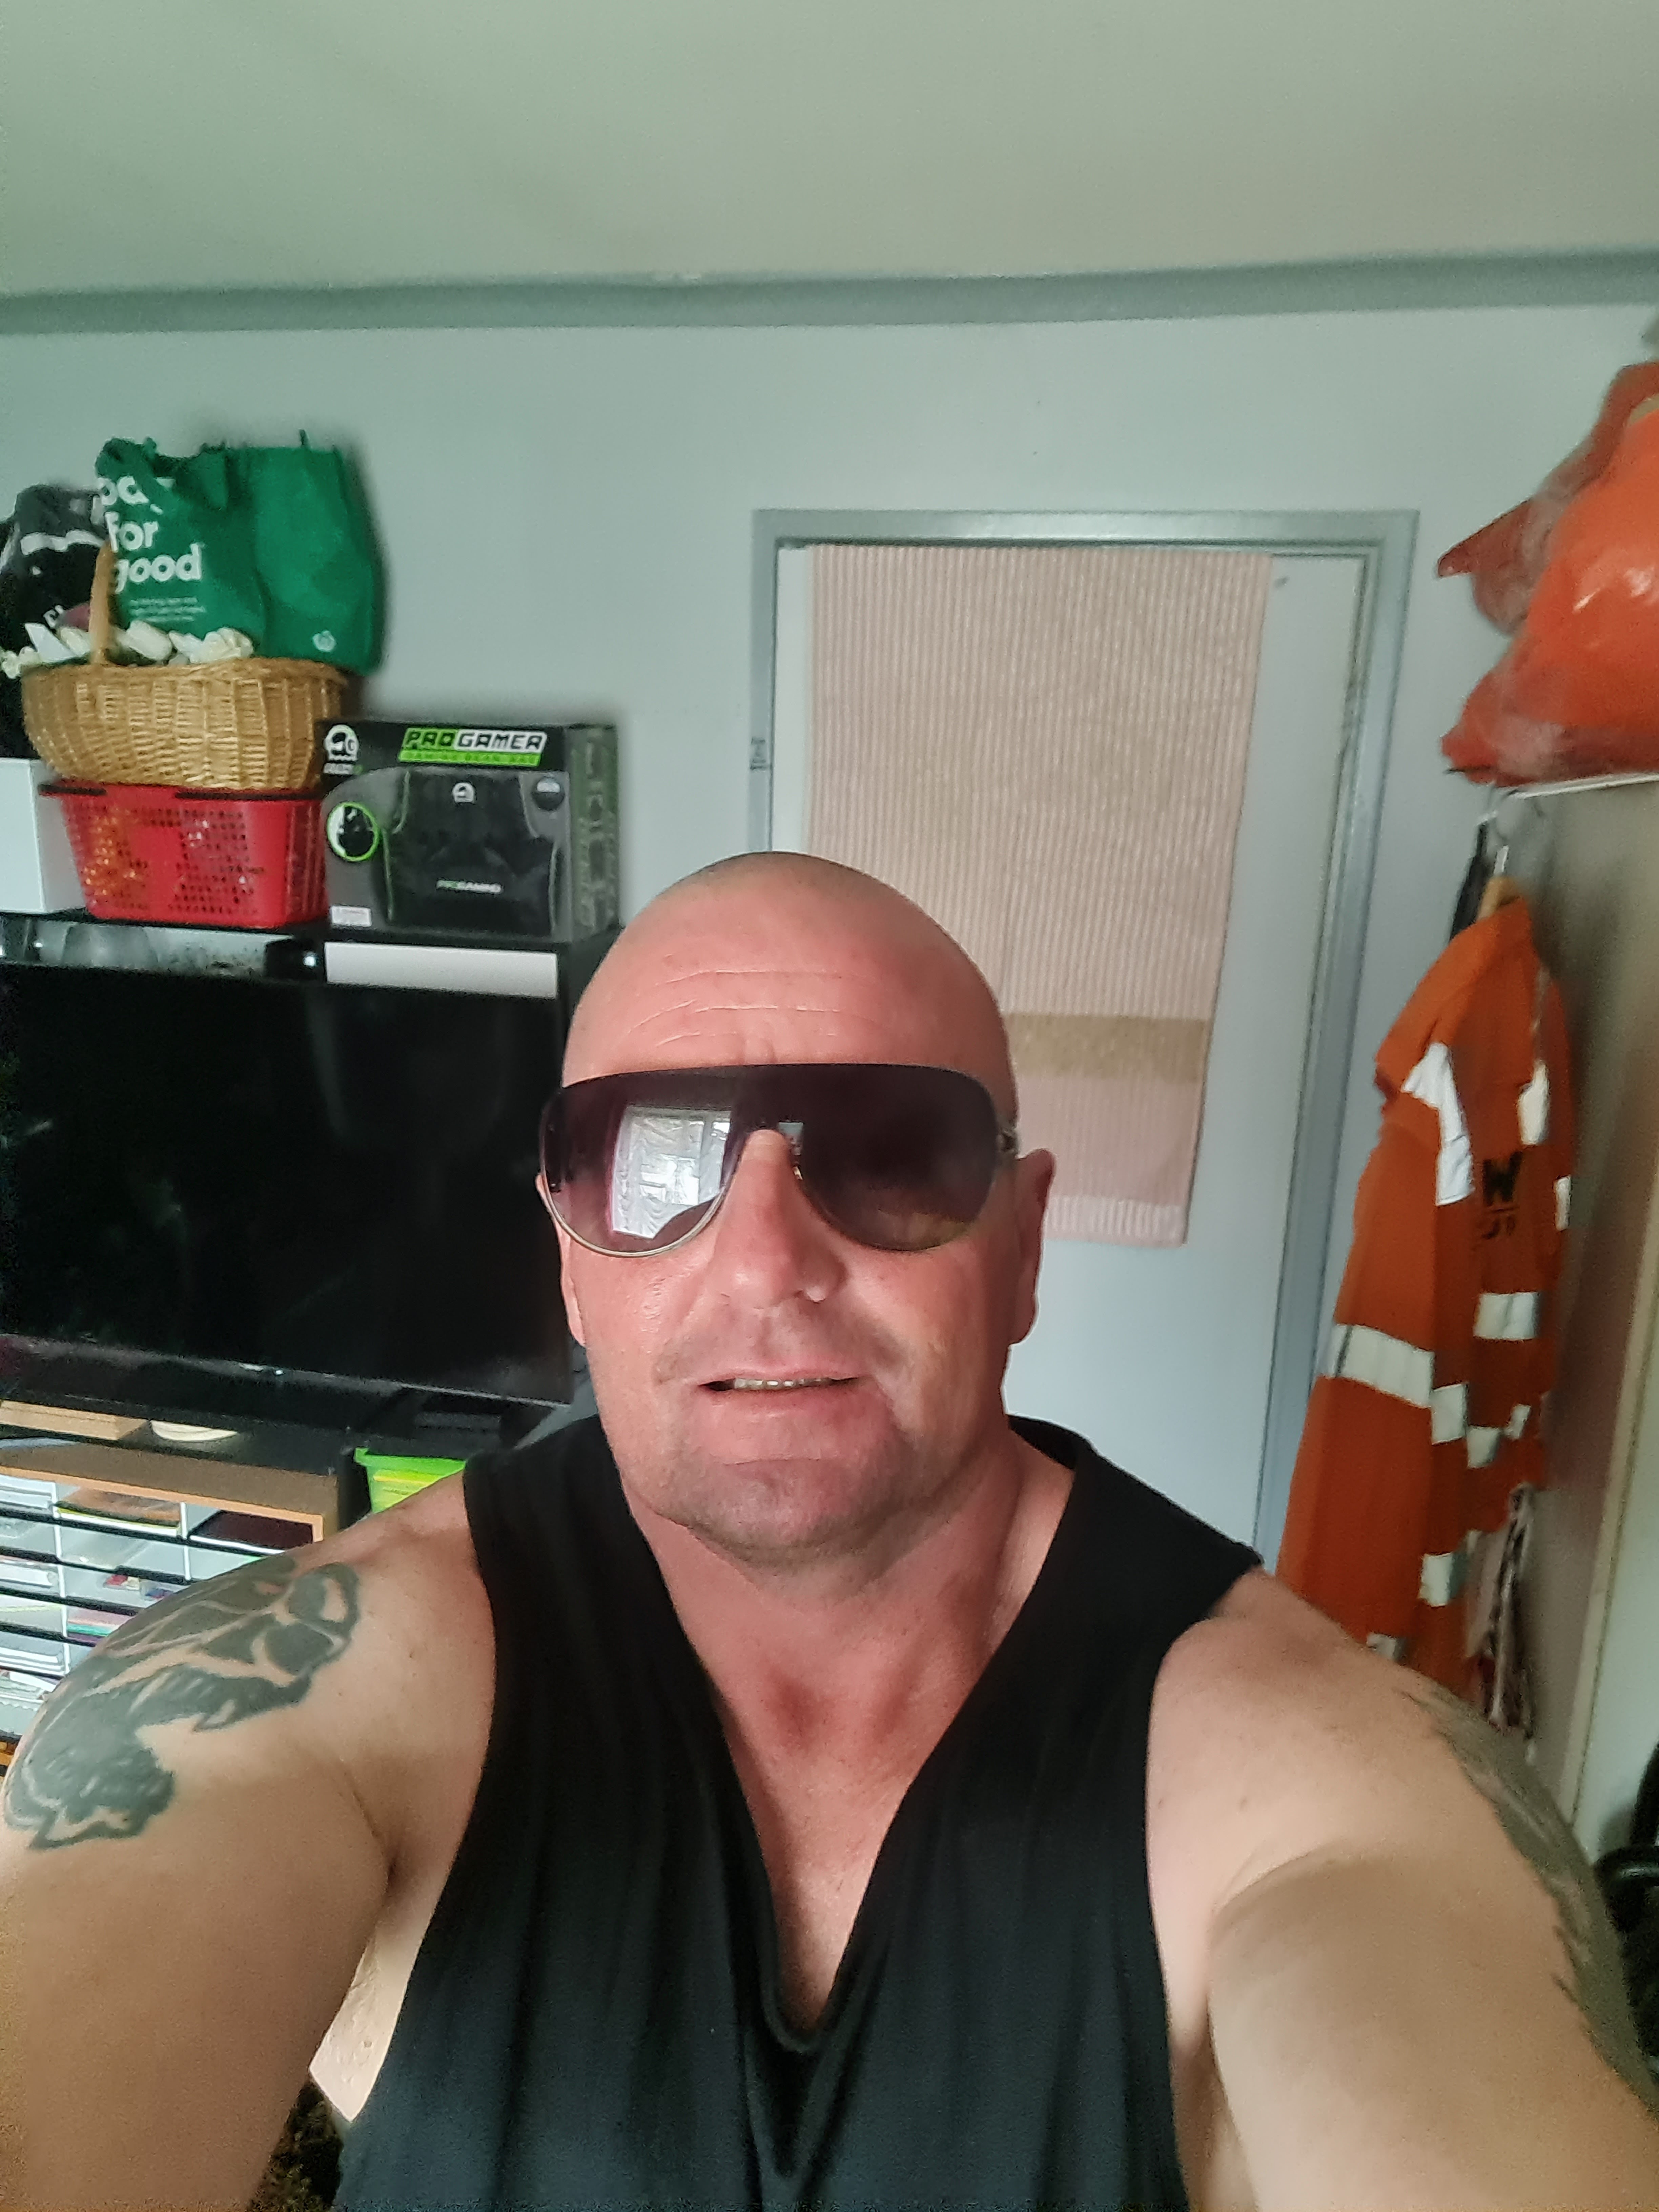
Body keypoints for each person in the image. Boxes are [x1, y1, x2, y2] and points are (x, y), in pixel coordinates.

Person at [2, 853, 1657, 2212]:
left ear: (1023, 1247)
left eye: (889, 1152)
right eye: (655, 1167)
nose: (767, 1260)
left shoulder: (1315, 1784)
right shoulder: (303, 1698)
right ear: (571, 1261)